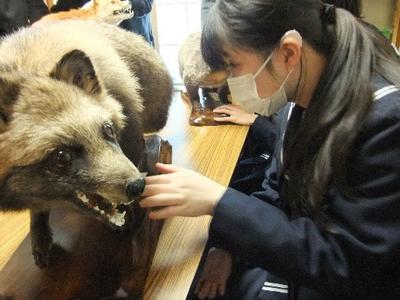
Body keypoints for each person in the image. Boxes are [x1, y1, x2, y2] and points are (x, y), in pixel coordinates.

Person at [140, 0, 400, 299]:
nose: (229, 81)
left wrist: (219, 202)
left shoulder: (386, 123)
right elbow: (278, 186)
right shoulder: (302, 88)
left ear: (288, 52)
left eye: (233, 66)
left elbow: (343, 264)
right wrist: (229, 245)